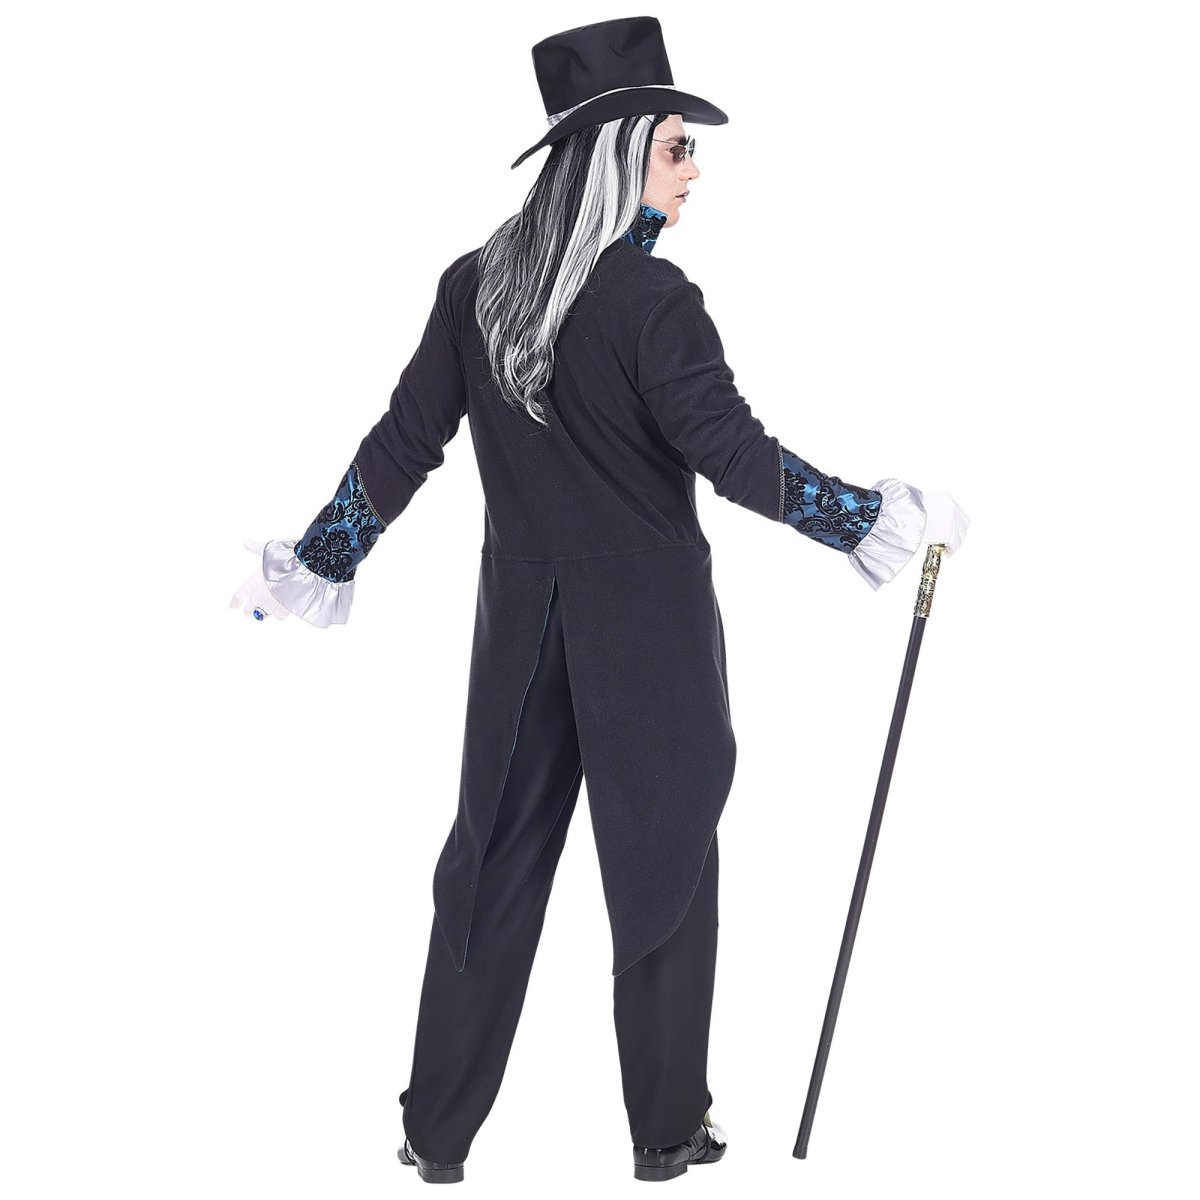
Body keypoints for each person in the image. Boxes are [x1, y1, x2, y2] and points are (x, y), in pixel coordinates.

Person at [230, 16, 970, 1185]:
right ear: (618, 153)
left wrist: (321, 559)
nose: (694, 171)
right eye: (677, 147)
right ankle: (667, 1132)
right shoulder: (651, 301)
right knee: (663, 871)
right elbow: (733, 456)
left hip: (521, 631)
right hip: (649, 638)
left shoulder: (475, 287)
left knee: (490, 867)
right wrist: (874, 518)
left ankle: (435, 1134)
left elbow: (402, 445)